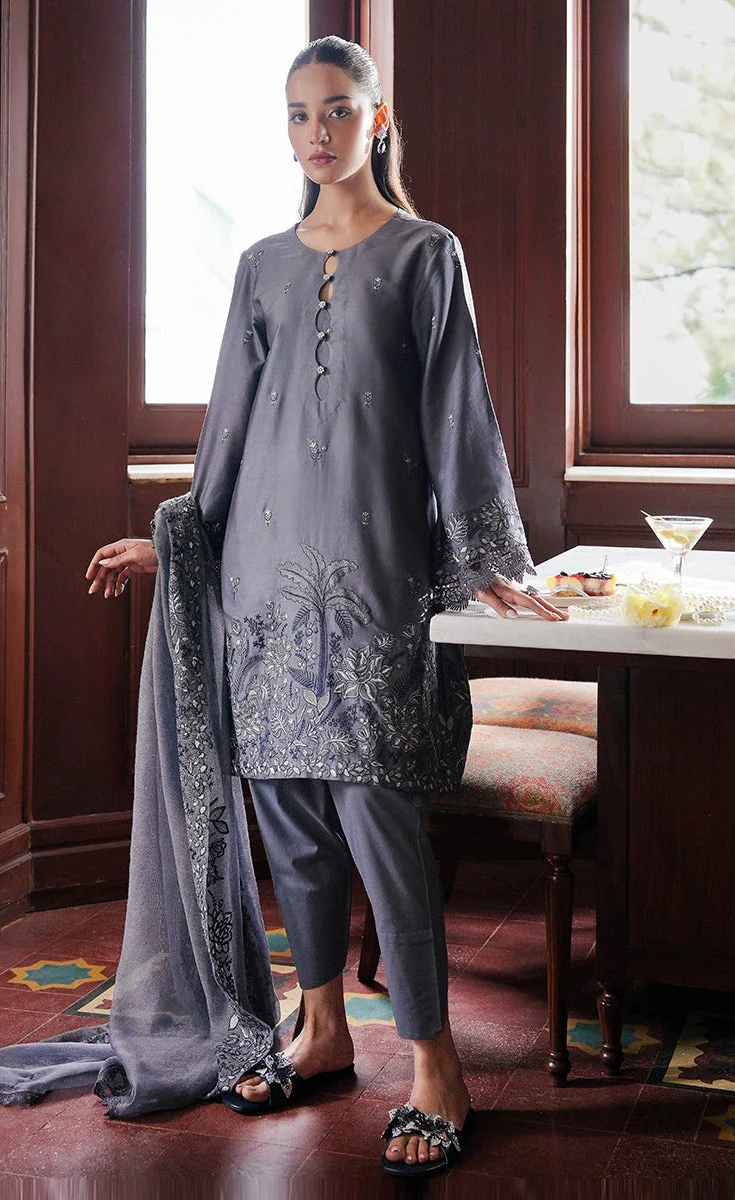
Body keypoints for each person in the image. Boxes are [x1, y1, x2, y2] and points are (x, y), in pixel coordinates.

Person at [85, 35, 567, 1178]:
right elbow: (230, 423)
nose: (317, 133)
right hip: (260, 579)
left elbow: (457, 411)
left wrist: (487, 554)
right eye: (300, 113)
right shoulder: (259, 265)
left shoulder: (424, 253)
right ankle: (322, 1030)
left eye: (339, 110)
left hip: (377, 579)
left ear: (375, 119)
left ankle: (435, 1066)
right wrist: (180, 538)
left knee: (376, 818)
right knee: (291, 818)